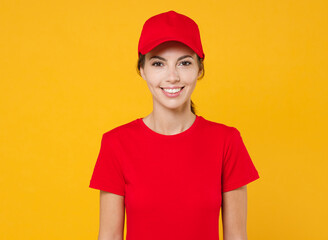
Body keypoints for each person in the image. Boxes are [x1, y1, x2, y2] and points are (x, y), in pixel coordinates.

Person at [89, 10, 260, 240]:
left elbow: (237, 236)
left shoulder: (226, 141)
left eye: (184, 63)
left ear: (199, 69)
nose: (172, 77)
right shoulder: (116, 144)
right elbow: (109, 236)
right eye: (158, 63)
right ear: (142, 70)